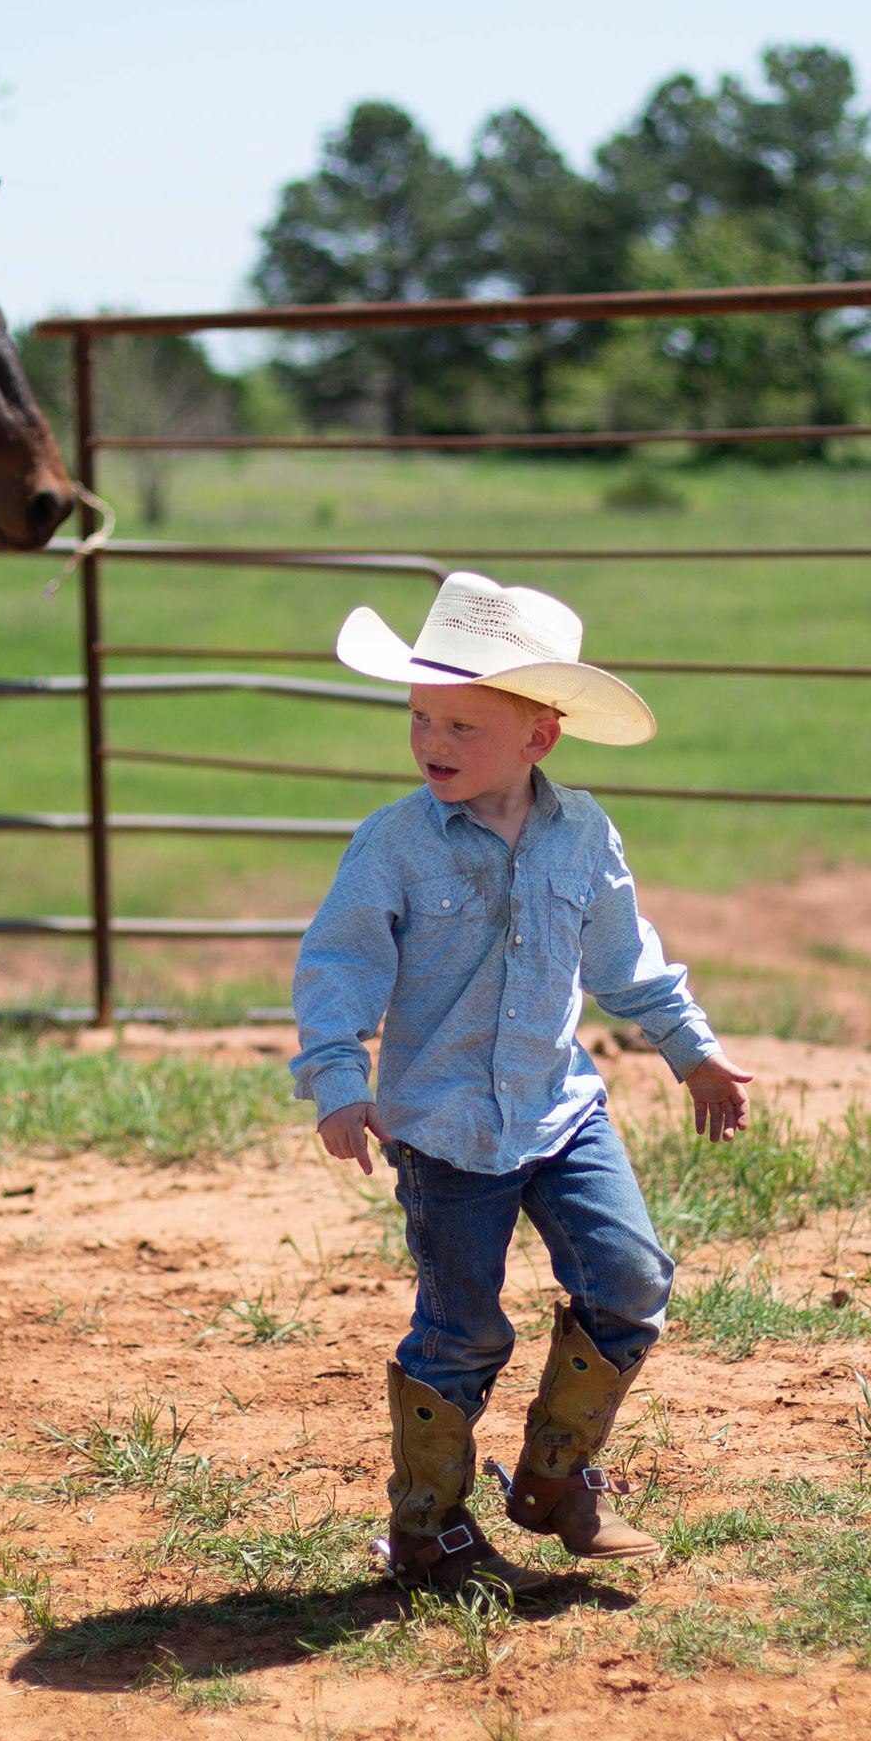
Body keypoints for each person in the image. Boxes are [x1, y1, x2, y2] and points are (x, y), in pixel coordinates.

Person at [293, 572, 754, 1594]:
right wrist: (336, 1076)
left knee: (630, 1279)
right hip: (445, 1128)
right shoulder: (394, 844)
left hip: (559, 1108)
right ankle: (429, 1532)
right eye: (420, 716)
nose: (432, 740)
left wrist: (691, 1049)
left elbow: (626, 960)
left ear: (539, 736)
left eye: (463, 723)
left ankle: (556, 1477)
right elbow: (339, 964)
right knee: (462, 1329)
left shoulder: (583, 835)